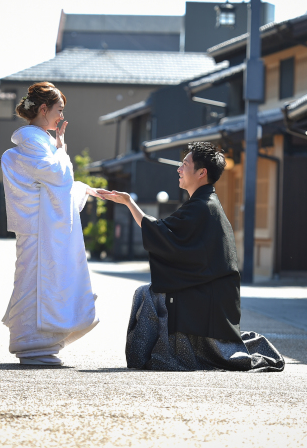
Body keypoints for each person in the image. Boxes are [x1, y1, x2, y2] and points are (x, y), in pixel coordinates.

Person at [98, 142, 284, 372]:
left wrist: (129, 202)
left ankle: (155, 355)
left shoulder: (203, 206)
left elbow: (161, 234)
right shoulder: (203, 204)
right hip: (210, 292)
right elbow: (166, 236)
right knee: (148, 292)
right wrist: (128, 202)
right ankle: (156, 353)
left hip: (209, 295)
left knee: (148, 294)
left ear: (201, 172)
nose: (179, 169)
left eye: (184, 164)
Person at [0, 82, 103, 366]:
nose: (61, 116)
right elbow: (57, 177)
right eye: (59, 110)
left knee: (33, 280)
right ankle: (34, 344)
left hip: (38, 226)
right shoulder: (34, 140)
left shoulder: (36, 140)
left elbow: (56, 180)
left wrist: (83, 188)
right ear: (43, 109)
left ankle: (35, 343)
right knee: (38, 281)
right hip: (40, 228)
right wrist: (61, 149)